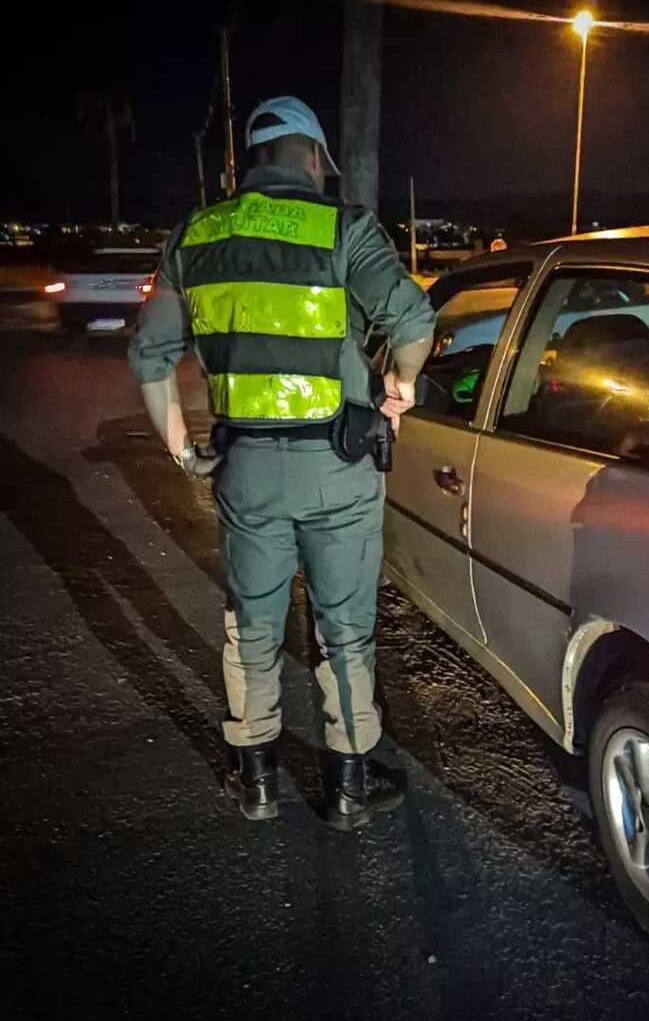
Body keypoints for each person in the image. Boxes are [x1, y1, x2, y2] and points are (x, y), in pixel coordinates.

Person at [128, 96, 435, 830]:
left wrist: (183, 454)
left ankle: (258, 780)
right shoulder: (346, 227)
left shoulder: (196, 236)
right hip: (339, 465)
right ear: (316, 159)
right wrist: (400, 383)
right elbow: (413, 321)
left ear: (250, 163)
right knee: (345, 629)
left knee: (252, 624)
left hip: (246, 470)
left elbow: (150, 355)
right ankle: (348, 788)